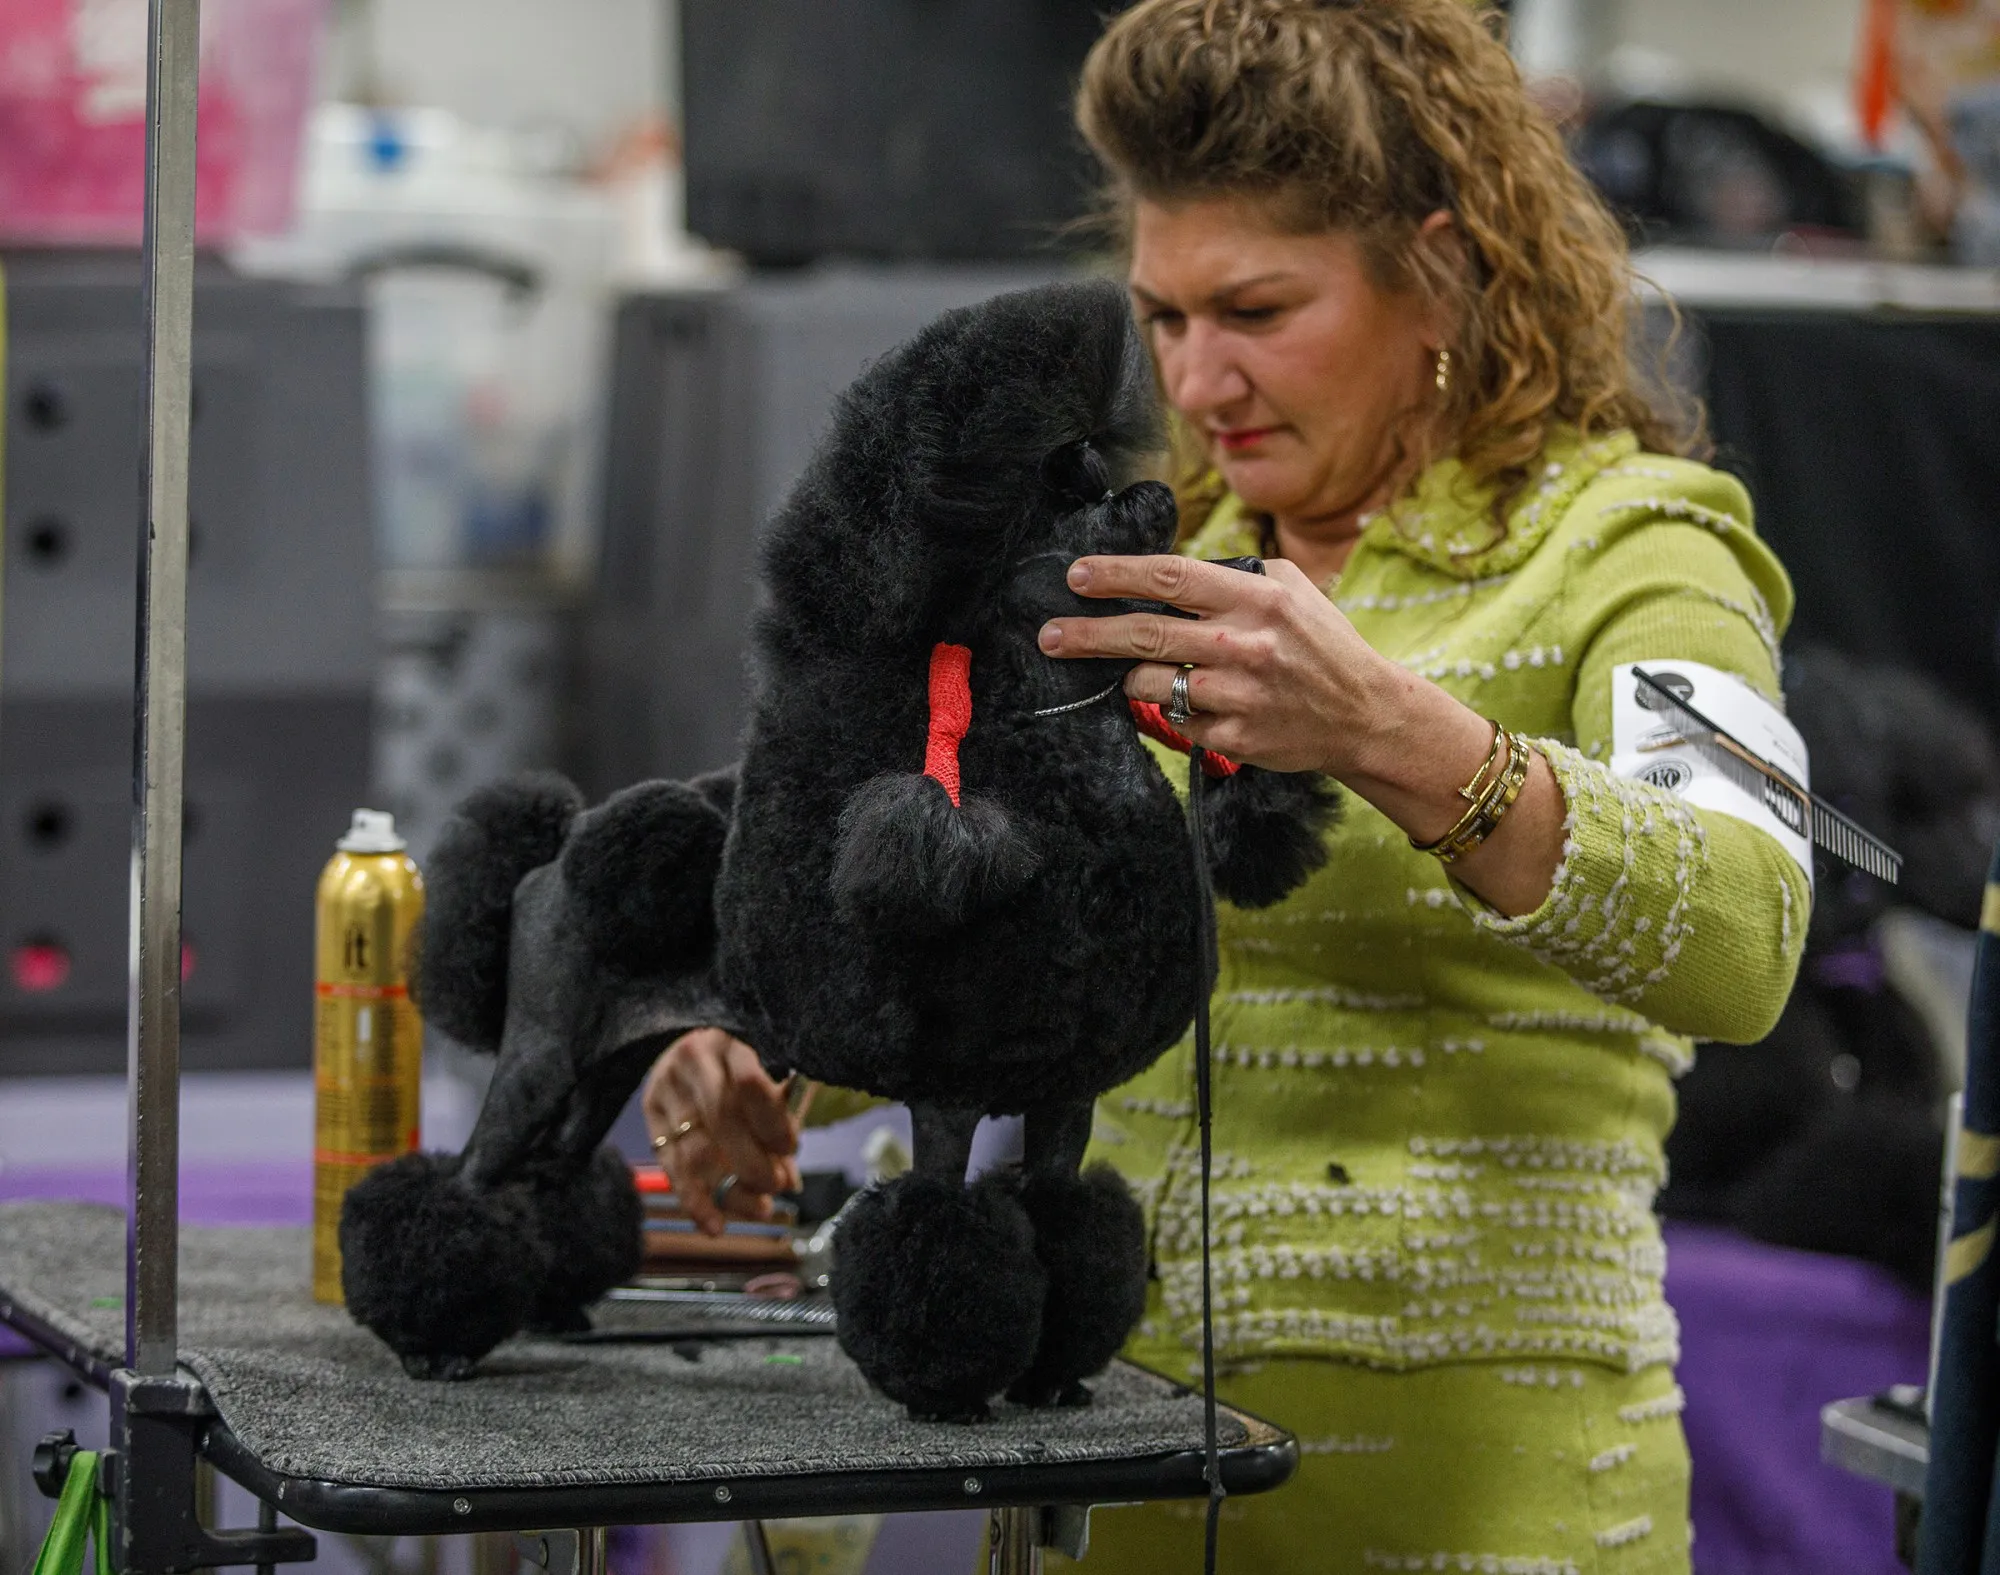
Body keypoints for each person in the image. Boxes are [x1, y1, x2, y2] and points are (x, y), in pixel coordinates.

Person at [643, 1, 1807, 1567]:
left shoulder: (1646, 549)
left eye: (1258, 308)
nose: (1199, 381)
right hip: (1111, 1480)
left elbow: (1746, 939)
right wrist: (781, 1062)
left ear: (1441, 267)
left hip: (1484, 1519)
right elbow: (1012, 940)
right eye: (1165, 318)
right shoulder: (1134, 555)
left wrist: (1397, 735)